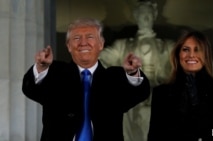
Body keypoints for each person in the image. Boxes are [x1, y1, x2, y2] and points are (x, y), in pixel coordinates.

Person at [22, 18, 150, 141]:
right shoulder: (55, 73)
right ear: (69, 46)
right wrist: (41, 67)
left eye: (90, 37)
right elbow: (31, 89)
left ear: (101, 44)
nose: (83, 42)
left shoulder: (114, 78)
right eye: (76, 38)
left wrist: (133, 73)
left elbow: (139, 93)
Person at [99, 1, 174, 141]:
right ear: (136, 16)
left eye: (149, 14)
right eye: (142, 14)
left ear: (154, 16)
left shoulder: (168, 46)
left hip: (159, 94)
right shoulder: (122, 45)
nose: (145, 18)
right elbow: (98, 60)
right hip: (131, 95)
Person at [147, 30, 213, 141]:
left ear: (206, 55)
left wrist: (196, 103)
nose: (191, 55)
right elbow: (154, 136)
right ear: (178, 55)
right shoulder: (161, 93)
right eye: (185, 50)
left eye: (197, 50)